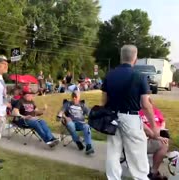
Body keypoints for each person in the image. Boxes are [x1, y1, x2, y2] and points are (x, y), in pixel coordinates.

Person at [102, 45, 159, 180]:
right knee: (137, 153)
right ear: (136, 58)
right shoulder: (139, 76)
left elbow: (104, 101)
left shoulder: (110, 75)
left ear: (121, 57)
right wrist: (153, 126)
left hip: (113, 116)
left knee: (113, 151)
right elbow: (145, 104)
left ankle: (113, 178)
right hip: (131, 118)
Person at [139, 96, 168, 179]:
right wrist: (155, 135)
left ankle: (153, 172)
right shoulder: (137, 113)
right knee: (163, 144)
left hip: (156, 136)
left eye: (149, 102)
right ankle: (153, 173)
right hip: (144, 139)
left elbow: (162, 121)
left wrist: (161, 129)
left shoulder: (155, 111)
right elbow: (143, 129)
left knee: (164, 143)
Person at [57, 90, 94, 155]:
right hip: (71, 122)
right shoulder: (67, 104)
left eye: (76, 96)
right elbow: (60, 112)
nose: (74, 98)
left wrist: (91, 118)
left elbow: (90, 114)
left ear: (79, 97)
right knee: (70, 124)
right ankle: (77, 141)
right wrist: (65, 117)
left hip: (80, 123)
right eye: (73, 96)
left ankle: (88, 146)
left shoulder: (83, 105)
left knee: (87, 126)